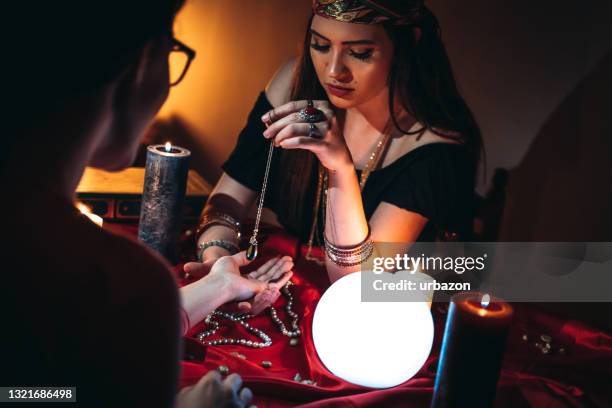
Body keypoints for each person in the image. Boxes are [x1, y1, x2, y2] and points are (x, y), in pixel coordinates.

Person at [1, 0, 290, 406]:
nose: (336, 70)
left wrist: (218, 284)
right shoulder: (115, 280)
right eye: (171, 51)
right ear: (140, 68)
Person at [189, 0, 482, 284]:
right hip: (285, 286)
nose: (334, 71)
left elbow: (358, 282)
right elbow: (225, 203)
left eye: (360, 53)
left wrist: (340, 166)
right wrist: (219, 260)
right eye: (320, 45)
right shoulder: (294, 85)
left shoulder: (437, 148)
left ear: (408, 44)